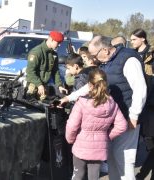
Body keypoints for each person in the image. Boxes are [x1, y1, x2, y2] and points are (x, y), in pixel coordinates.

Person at [60, 35, 147, 179]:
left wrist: (134, 116)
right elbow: (93, 85)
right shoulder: (106, 62)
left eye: (94, 55)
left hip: (128, 120)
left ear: (105, 50)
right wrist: (69, 97)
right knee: (112, 157)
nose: (93, 59)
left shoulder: (129, 60)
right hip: (114, 119)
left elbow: (140, 89)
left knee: (125, 161)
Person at [66, 68, 127, 180]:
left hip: (81, 144)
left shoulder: (82, 102)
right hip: (100, 146)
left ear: (89, 84)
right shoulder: (112, 103)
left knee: (78, 174)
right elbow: (122, 126)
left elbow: (72, 125)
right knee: (94, 176)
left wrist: (70, 139)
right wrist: (107, 136)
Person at [130, 28, 154, 180]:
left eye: (134, 39)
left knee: (149, 142)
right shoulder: (132, 55)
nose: (131, 42)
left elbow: (149, 83)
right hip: (140, 103)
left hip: (149, 104)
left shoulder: (150, 56)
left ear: (143, 39)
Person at [26, 30, 67, 100]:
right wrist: (39, 85)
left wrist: (59, 85)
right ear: (51, 40)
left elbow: (55, 71)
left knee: (45, 105)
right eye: (58, 42)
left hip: (44, 85)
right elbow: (30, 71)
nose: (59, 45)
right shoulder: (37, 52)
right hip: (34, 84)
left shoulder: (54, 54)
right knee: (31, 103)